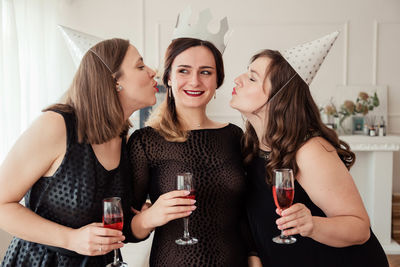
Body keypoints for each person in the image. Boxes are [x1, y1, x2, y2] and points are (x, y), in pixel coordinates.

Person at [230, 32, 389, 267]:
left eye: (252, 78)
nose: (237, 80)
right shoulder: (252, 146)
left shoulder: (309, 150)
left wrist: (312, 224)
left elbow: (359, 228)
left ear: (278, 97)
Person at [0, 38, 157, 266]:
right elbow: (2, 204)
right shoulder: (56, 126)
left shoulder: (124, 137)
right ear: (114, 82)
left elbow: (120, 225)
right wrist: (71, 239)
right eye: (141, 66)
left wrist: (149, 215)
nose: (153, 72)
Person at [127, 15, 250, 265]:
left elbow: (248, 213)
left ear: (218, 81)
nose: (195, 81)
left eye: (206, 72)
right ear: (169, 78)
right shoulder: (145, 141)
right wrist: (151, 217)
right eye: (184, 71)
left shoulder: (235, 136)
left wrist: (254, 257)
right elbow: (127, 230)